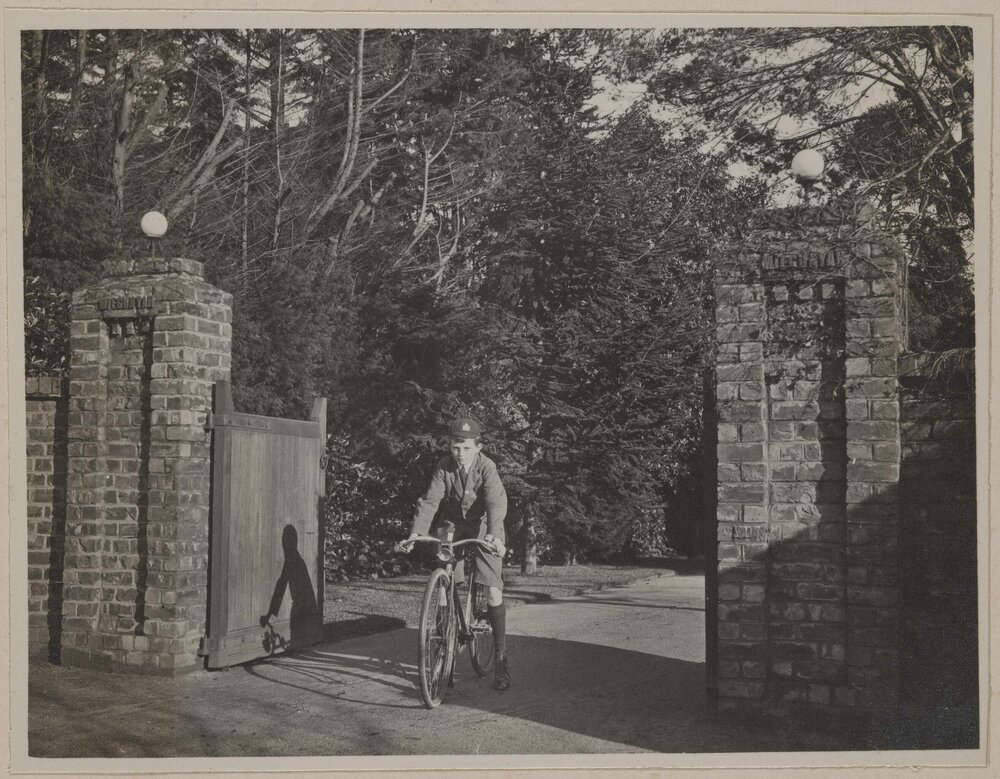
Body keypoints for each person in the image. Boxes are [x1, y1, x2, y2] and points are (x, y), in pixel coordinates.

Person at [400, 416, 511, 692]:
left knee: (493, 589)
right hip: (452, 526)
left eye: (466, 448)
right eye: (455, 447)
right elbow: (430, 501)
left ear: (478, 447)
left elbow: (496, 502)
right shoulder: (443, 467)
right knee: (445, 580)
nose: (460, 453)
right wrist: (416, 532)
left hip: (484, 526)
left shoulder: (487, 467)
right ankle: (443, 646)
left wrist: (495, 534)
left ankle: (500, 660)